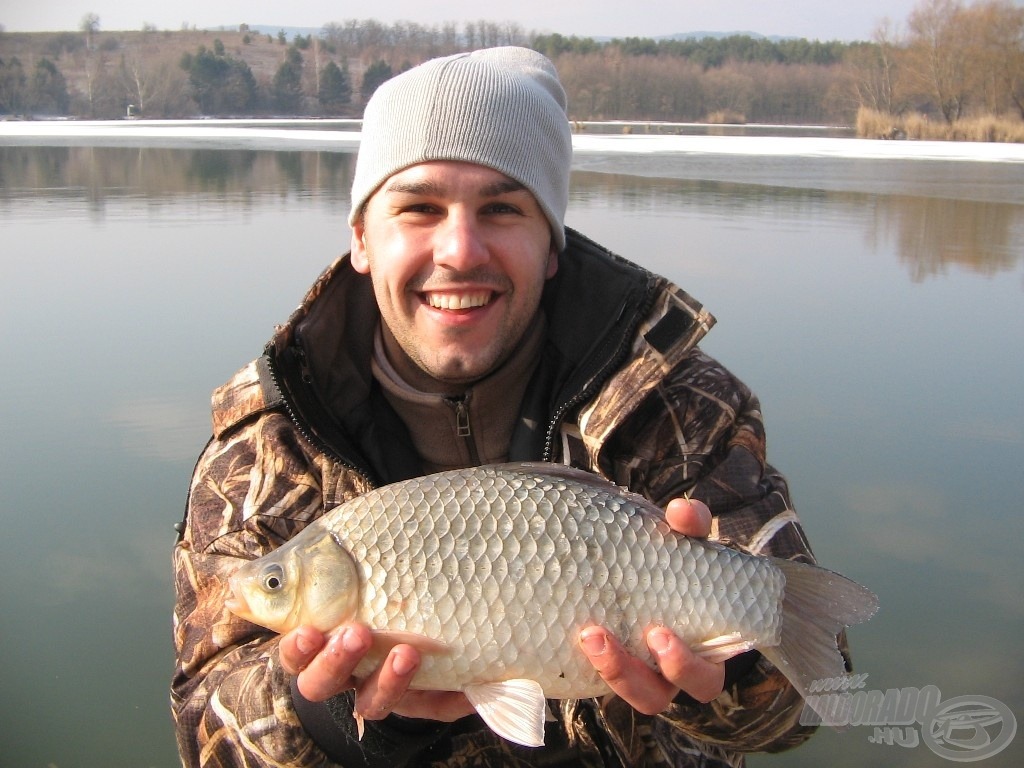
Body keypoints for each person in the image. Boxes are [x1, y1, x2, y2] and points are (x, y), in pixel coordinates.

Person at [172, 47, 835, 767]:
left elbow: (801, 710)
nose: (460, 249)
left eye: (502, 208)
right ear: (361, 238)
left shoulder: (680, 407)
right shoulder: (267, 440)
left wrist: (725, 669)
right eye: (419, 208)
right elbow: (204, 726)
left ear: (552, 244)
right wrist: (335, 715)